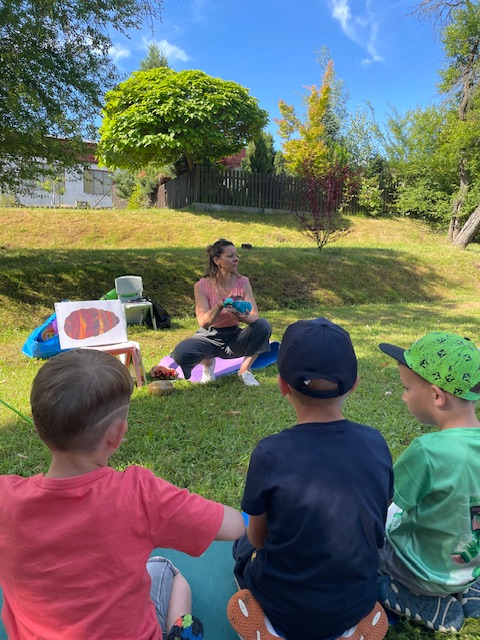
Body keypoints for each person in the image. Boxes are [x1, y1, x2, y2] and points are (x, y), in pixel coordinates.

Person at [0, 349, 246, 640]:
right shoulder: (139, 493)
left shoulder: (5, 498)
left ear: (38, 427)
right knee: (165, 568)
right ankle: (179, 631)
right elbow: (234, 526)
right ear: (117, 434)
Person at [227, 318, 394, 640]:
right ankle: (352, 627)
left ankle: (270, 627)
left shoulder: (270, 452)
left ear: (282, 384)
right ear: (354, 384)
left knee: (243, 544)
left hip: (284, 605)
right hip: (356, 599)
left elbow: (259, 539)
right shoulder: (376, 442)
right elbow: (377, 517)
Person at [377, 331, 480, 633]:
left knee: (369, 536)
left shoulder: (427, 452)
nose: (403, 396)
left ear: (436, 395)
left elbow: (381, 501)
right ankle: (467, 589)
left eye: (406, 388)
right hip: (469, 566)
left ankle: (418, 595)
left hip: (421, 572)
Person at [169, 238, 272, 387]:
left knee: (263, 325)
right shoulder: (201, 285)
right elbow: (204, 322)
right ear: (217, 260)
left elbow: (254, 315)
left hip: (235, 337)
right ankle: (208, 364)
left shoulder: (243, 282)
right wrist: (219, 305)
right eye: (230, 256)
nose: (236, 259)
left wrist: (243, 318)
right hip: (209, 337)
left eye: (236, 255)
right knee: (181, 353)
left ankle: (244, 371)